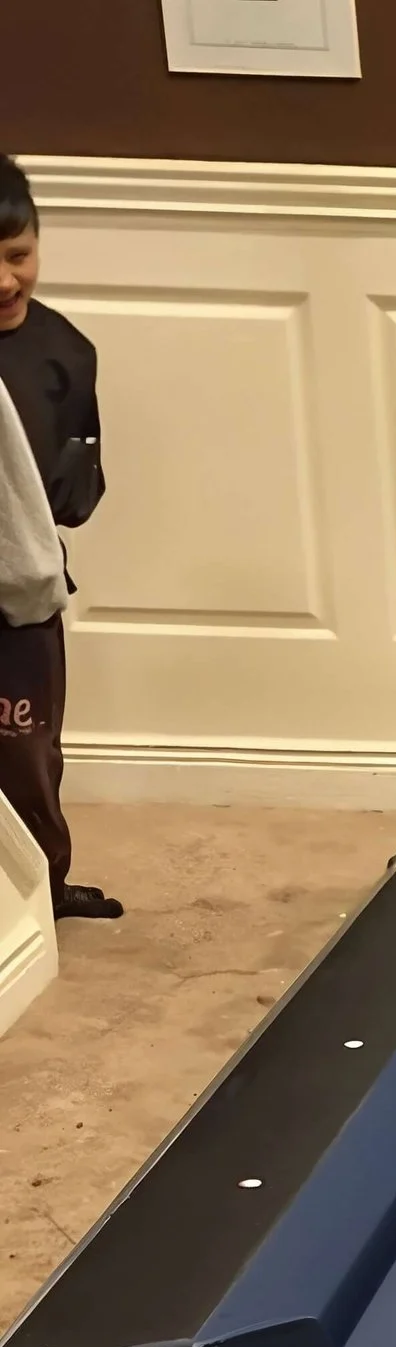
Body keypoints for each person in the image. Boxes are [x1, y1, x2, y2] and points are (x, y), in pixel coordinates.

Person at [0, 153, 117, 921]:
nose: (6, 281)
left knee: (29, 750)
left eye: (18, 256)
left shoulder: (62, 351)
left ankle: (40, 885)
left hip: (22, 593)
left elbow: (79, 480)